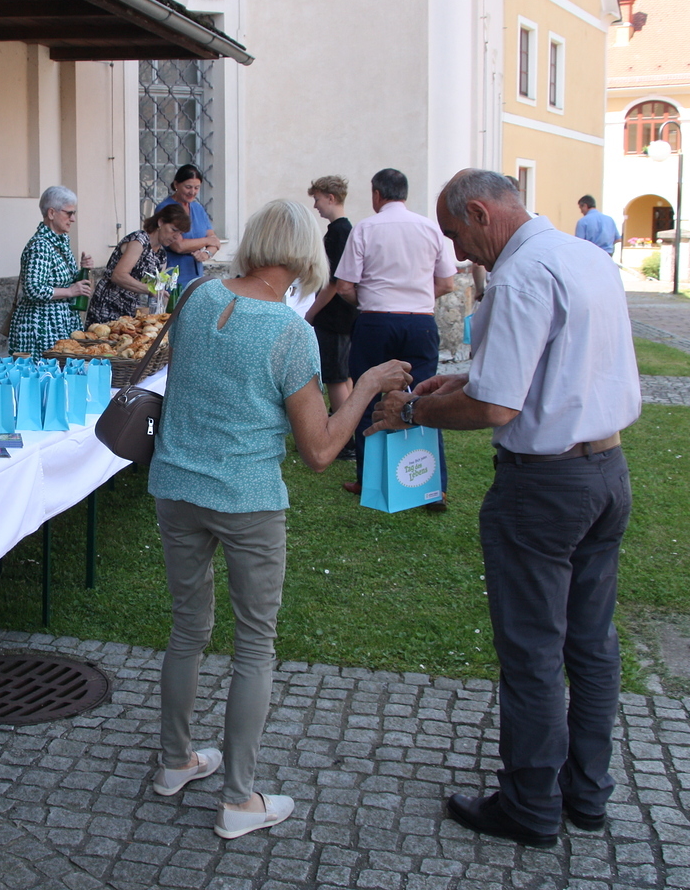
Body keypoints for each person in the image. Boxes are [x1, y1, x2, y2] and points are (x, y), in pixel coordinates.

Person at [368, 169, 640, 848]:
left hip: (546, 488)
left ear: (482, 213)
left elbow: (495, 407)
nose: (459, 254)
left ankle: (530, 804)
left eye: (457, 235)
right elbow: (558, 364)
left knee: (534, 651)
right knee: (592, 645)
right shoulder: (585, 257)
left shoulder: (520, 276)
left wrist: (412, 411)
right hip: (607, 470)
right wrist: (465, 378)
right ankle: (587, 792)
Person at [146, 198, 412, 840]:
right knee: (254, 645)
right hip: (246, 499)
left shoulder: (199, 297)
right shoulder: (290, 333)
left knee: (187, 629)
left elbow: (191, 384)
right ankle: (239, 800)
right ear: (304, 254)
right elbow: (320, 452)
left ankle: (175, 762)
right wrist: (367, 386)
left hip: (176, 486)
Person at [334, 168, 457, 507]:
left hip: (376, 320)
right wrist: (416, 299)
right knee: (424, 396)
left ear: (377, 194)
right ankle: (433, 485)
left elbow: (344, 286)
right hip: (420, 322)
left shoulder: (365, 227)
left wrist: (371, 302)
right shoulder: (429, 228)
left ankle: (370, 479)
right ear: (405, 193)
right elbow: (447, 283)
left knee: (367, 395)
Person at [303, 175, 359, 459]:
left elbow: (334, 282)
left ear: (331, 198)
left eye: (317, 199)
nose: (316, 205)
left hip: (334, 316)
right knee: (344, 376)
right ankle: (350, 435)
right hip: (344, 315)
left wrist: (312, 312)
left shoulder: (339, 232)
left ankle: (345, 440)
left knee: (336, 378)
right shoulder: (346, 231)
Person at [6, 186, 95, 356]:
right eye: (69, 213)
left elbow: (60, 280)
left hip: (57, 324)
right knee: (44, 371)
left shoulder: (59, 241)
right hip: (41, 327)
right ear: (52, 213)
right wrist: (70, 291)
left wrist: (83, 269)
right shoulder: (40, 246)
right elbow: (33, 289)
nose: (73, 219)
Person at [86, 203, 188, 324]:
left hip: (131, 311)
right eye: (174, 230)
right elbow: (118, 275)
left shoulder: (161, 255)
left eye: (180, 233)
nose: (176, 237)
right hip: (108, 305)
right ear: (160, 222)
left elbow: (157, 289)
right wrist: (149, 290)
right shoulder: (139, 240)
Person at [154, 164, 223, 286]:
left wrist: (206, 254)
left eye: (197, 188)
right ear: (176, 185)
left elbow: (215, 242)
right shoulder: (166, 208)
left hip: (196, 275)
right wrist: (207, 241)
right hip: (172, 275)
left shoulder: (198, 208)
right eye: (188, 187)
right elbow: (179, 246)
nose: (192, 192)